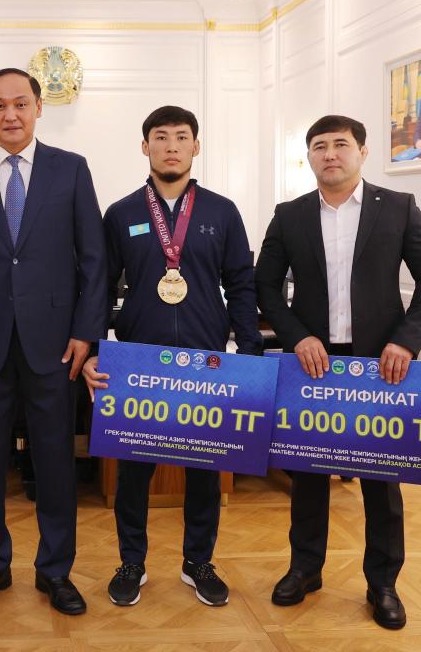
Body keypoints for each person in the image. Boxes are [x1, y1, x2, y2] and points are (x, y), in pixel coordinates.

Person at [256, 114, 421, 630]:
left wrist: (405, 341)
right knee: (308, 473)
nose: (330, 154)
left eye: (340, 144)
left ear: (362, 152)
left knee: (381, 482)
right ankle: (304, 568)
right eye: (319, 146)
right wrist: (297, 336)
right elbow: (265, 286)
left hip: (379, 366)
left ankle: (383, 582)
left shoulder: (399, 207)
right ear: (310, 157)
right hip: (312, 363)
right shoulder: (290, 215)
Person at [0, 68, 107, 615]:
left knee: (55, 460)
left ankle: (55, 571)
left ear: (37, 108)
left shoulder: (70, 169)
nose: (10, 114)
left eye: (21, 103)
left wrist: (86, 333)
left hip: (54, 345)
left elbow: (94, 260)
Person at [82, 105, 261, 608]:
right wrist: (94, 349)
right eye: (160, 137)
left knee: (205, 469)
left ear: (196, 147)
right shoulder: (121, 213)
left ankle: (197, 562)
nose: (172, 146)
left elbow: (241, 285)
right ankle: (131, 562)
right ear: (146, 147)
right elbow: (98, 287)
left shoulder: (222, 212)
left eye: (182, 137)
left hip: (206, 362)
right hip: (138, 363)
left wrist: (249, 352)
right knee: (132, 470)